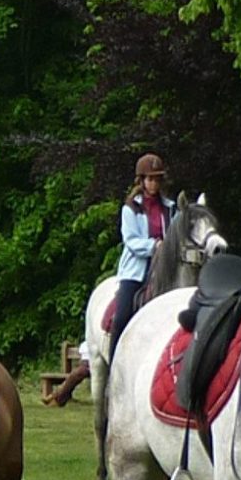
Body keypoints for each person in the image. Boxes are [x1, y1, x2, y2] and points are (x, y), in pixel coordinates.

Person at [109, 153, 175, 361]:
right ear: (141, 181)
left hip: (164, 268)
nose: (153, 183)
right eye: (150, 179)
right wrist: (155, 245)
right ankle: (114, 365)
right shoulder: (130, 208)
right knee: (120, 318)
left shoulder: (171, 208)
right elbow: (131, 241)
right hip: (136, 270)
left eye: (157, 179)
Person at [42, 340, 90, 406]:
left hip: (96, 365)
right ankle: (57, 396)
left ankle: (57, 397)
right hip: (87, 363)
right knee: (76, 374)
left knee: (77, 373)